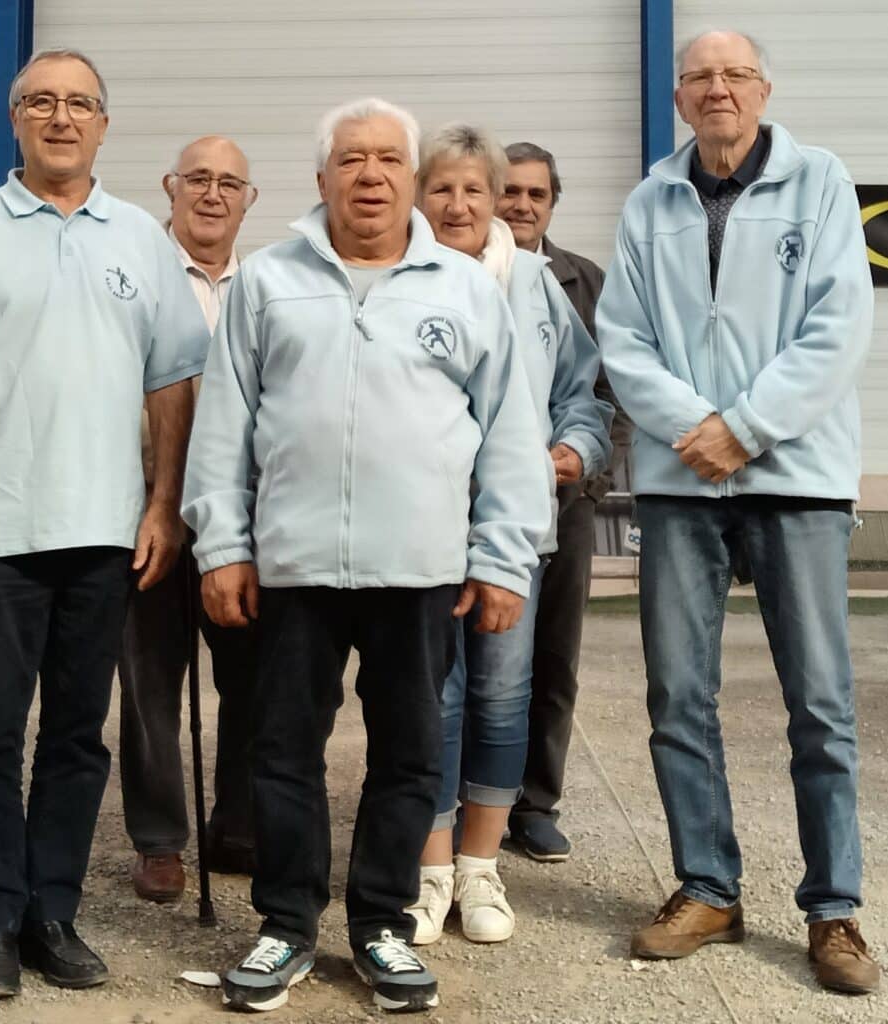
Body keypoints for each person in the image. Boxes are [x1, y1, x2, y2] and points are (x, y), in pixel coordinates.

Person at [182, 98, 550, 1013]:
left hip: (419, 572)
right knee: (282, 753)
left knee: (407, 756)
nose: (371, 175)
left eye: (389, 158)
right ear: (321, 180)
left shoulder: (463, 289)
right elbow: (223, 427)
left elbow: (509, 432)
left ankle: (382, 925)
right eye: (351, 160)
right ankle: (286, 927)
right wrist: (223, 545)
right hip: (293, 572)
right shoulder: (267, 282)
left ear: (411, 177)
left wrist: (503, 558)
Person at [0, 48, 208, 1000]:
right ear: (15, 120)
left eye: (79, 103)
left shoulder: (140, 243)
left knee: (77, 735)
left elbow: (173, 382)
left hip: (106, 532)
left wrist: (161, 505)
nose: (61, 117)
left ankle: (50, 914)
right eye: (41, 103)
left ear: (104, 123)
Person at [597, 30, 879, 994]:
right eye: (698, 78)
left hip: (795, 474)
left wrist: (747, 429)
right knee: (678, 696)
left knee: (820, 703)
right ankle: (707, 886)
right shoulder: (650, 200)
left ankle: (834, 908)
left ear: (762, 89)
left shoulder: (821, 181)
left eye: (734, 75)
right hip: (683, 480)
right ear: (678, 99)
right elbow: (624, 340)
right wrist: (696, 430)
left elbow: (840, 324)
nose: (716, 89)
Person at [409, 124, 611, 945]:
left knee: (500, 694)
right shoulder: (396, 272)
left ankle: (480, 871)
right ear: (420, 197)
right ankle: (426, 874)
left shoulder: (535, 283)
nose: (457, 205)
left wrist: (572, 449)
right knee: (431, 700)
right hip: (416, 532)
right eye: (441, 188)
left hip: (514, 533)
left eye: (473, 189)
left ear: (499, 199)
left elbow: (584, 393)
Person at [121, 135, 259, 903]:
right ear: (169, 187)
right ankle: (159, 839)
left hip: (240, 515)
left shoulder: (268, 284)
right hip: (144, 504)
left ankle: (237, 822)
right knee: (147, 679)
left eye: (228, 183)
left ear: (249, 201)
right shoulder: (136, 275)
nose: (212, 194)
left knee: (253, 676)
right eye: (197, 179)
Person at [497, 142, 634, 862]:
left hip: (564, 500)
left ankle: (534, 802)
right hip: (477, 508)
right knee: (477, 663)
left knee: (553, 657)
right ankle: (465, 799)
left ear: (552, 203)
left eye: (534, 195)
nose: (520, 205)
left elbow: (612, 393)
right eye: (509, 191)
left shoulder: (584, 280)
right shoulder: (462, 271)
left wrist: (579, 471)